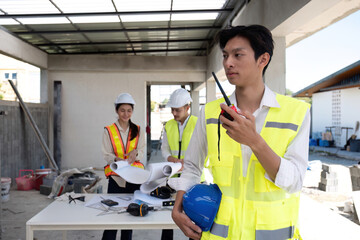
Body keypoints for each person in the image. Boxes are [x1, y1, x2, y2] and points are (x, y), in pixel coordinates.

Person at [171, 25, 311, 240]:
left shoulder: (297, 113)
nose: (228, 63)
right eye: (225, 55)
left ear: (262, 60)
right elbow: (191, 166)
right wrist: (177, 209)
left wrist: (255, 142)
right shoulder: (209, 112)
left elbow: (294, 181)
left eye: (238, 55)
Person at [102, 93, 146, 240]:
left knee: (129, 218)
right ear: (116, 111)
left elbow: (141, 149)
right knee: (111, 217)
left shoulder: (138, 130)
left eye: (129, 110)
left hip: (134, 179)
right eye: (122, 110)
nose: (126, 114)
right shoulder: (109, 130)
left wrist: (136, 154)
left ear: (132, 111)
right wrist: (115, 158)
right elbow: (106, 153)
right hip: (116, 180)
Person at [160, 88, 198, 240]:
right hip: (173, 178)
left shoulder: (198, 124)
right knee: (168, 218)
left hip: (193, 180)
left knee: (193, 219)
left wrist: (188, 162)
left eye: (177, 110)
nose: (174, 113)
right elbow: (164, 149)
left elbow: (206, 150)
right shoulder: (168, 125)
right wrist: (173, 160)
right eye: (172, 110)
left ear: (187, 107)